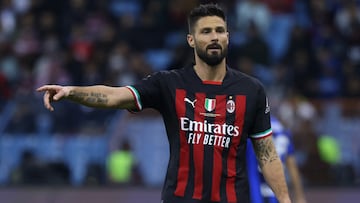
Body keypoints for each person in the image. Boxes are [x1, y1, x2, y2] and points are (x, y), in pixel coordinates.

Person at [37, 4, 291, 203]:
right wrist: (72, 91)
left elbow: (267, 155)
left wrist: (285, 201)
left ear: (228, 37)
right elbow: (115, 96)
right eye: (206, 31)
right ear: (191, 40)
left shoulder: (251, 90)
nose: (214, 37)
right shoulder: (169, 83)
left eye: (219, 30)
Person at [247, 116, 306, 203]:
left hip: (254, 190)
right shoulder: (284, 130)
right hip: (277, 192)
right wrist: (299, 196)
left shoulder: (252, 127)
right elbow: (292, 167)